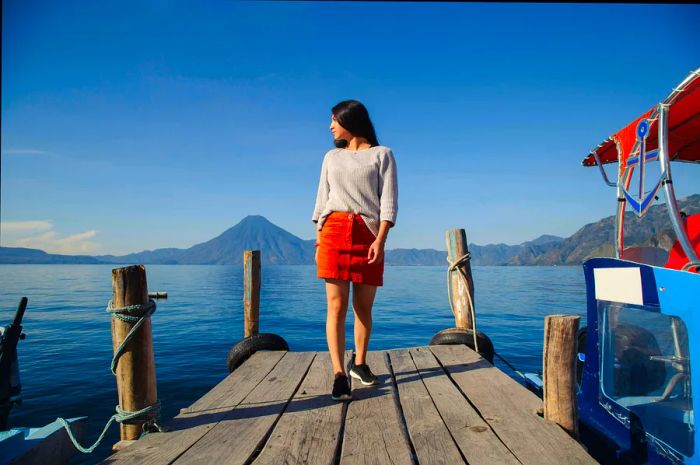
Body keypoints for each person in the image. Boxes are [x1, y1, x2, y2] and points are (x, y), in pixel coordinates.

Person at [312, 99, 398, 401]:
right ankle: (338, 373)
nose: (330, 125)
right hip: (333, 231)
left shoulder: (382, 155)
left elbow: (387, 202)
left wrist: (380, 239)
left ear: (349, 120)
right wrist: (319, 238)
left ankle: (359, 364)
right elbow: (322, 202)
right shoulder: (331, 157)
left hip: (368, 233)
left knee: (363, 307)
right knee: (335, 307)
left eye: (334, 119)